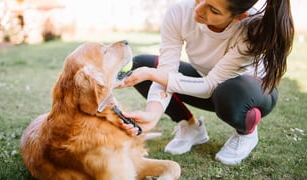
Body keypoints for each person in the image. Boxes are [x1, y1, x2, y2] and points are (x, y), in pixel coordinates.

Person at [118, 0, 294, 165]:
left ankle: (246, 133)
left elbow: (211, 85)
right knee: (143, 64)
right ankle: (191, 127)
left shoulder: (252, 30)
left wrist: (153, 75)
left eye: (213, 9)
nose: (199, 9)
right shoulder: (179, 12)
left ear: (239, 17)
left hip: (249, 93)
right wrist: (152, 114)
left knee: (227, 91)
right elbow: (166, 71)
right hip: (208, 82)